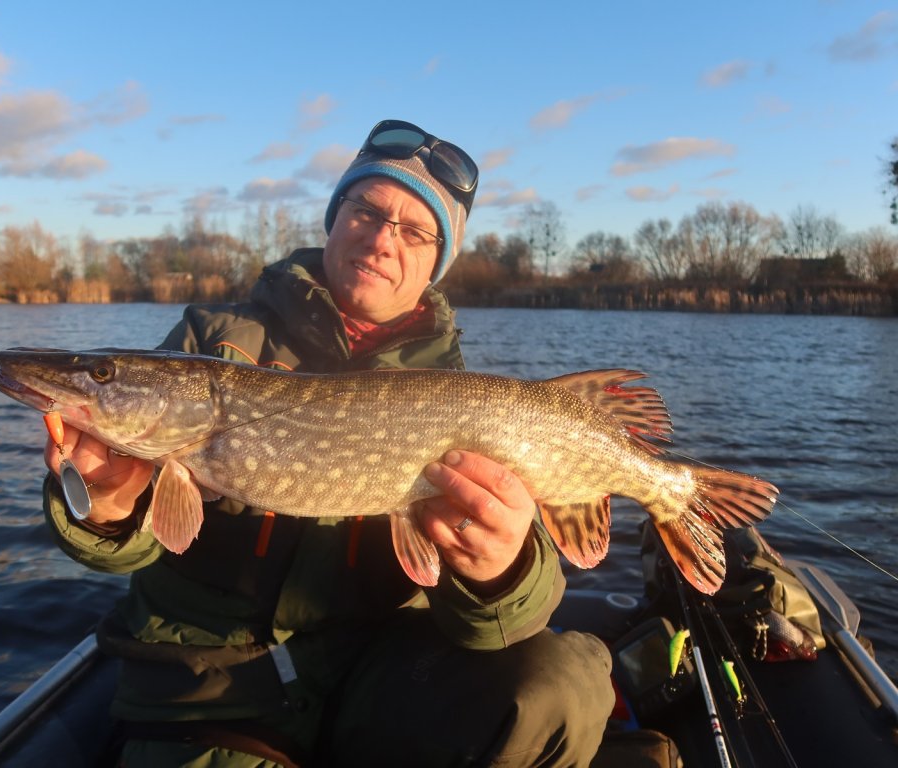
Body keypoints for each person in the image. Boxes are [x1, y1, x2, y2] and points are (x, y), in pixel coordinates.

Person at [43, 119, 614, 767]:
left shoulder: (458, 394)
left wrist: (501, 569)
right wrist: (107, 508)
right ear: (334, 217)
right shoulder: (213, 345)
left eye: (416, 230)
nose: (381, 238)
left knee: (561, 684)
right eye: (366, 209)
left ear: (437, 263)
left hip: (380, 682)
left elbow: (496, 622)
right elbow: (135, 542)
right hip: (210, 693)